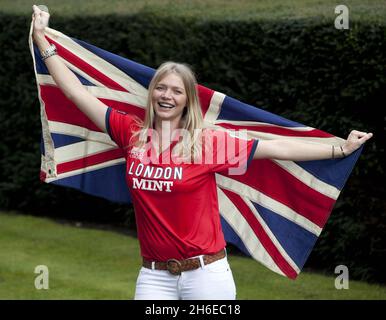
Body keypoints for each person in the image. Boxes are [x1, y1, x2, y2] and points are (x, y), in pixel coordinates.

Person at [31, 5, 373, 300]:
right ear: (151, 94)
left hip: (206, 276)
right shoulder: (131, 134)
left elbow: (276, 148)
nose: (167, 95)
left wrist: (339, 147)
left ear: (187, 100)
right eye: (160, 88)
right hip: (153, 276)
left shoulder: (206, 143)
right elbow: (77, 93)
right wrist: (42, 39)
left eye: (176, 91)